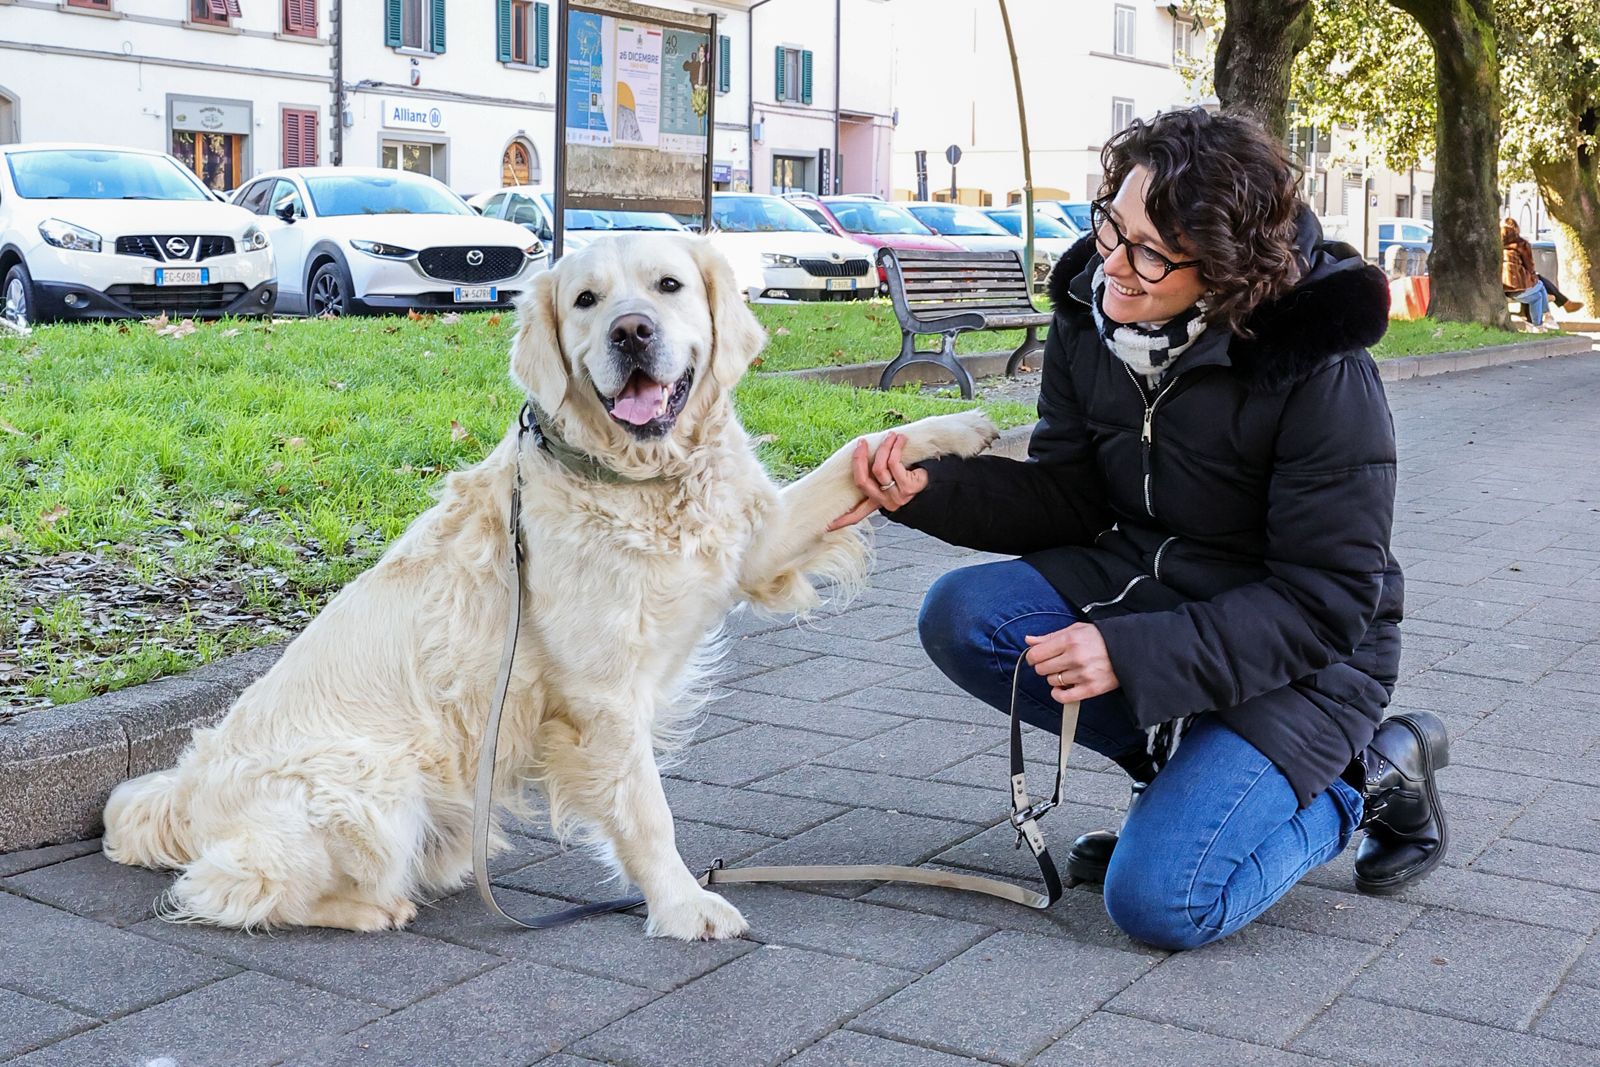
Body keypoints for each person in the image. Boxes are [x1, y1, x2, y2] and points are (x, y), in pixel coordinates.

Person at [829, 108, 1449, 952]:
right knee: (963, 616)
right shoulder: (1095, 313)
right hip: (1153, 584)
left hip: (1308, 659)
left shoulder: (1319, 367)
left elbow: (1329, 602)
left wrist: (1126, 654)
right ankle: (1176, 772)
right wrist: (927, 491)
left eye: (1150, 251)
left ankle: (1369, 777)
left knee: (1163, 902)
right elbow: (1068, 499)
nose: (1113, 265)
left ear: (1228, 268)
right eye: (1111, 224)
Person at [1502, 217, 1583, 325]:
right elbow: (1530, 267)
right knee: (1536, 283)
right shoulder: (1520, 244)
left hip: (1503, 284)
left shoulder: (1498, 244)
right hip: (1515, 284)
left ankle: (1557, 304)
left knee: (1533, 282)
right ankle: (1552, 309)